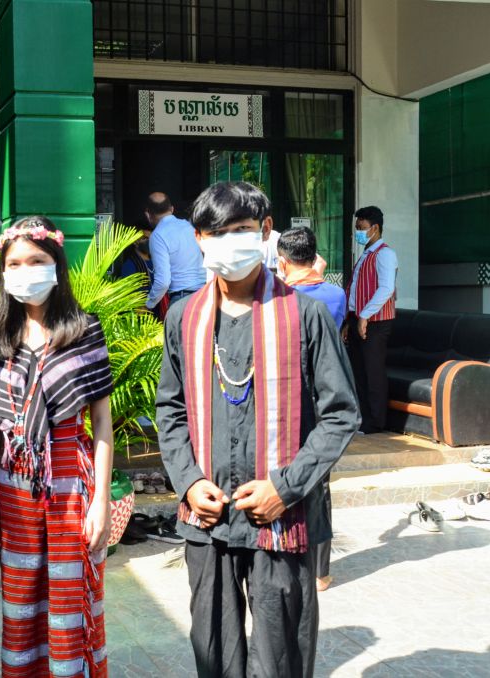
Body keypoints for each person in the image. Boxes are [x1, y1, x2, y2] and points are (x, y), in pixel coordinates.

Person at [155, 182, 359, 678]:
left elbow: (340, 414)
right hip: (209, 519)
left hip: (280, 520)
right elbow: (170, 409)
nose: (230, 240)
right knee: (214, 652)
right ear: (200, 239)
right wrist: (189, 481)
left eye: (242, 229)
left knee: (281, 655)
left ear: (265, 232)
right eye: (216, 232)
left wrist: (285, 488)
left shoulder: (306, 316)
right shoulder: (184, 317)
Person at [0, 216, 115, 678]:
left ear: (56, 265)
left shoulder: (84, 331)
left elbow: (100, 423)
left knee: (71, 597)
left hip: (71, 481)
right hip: (13, 485)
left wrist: (100, 500)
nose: (25, 270)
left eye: (36, 260)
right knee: (20, 598)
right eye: (14, 263)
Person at [277, 226, 348, 593]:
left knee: (287, 474)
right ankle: (321, 571)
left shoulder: (280, 297)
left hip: (288, 397)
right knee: (319, 483)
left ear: (282, 261)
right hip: (324, 394)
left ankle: (289, 553)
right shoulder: (336, 295)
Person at [345, 205, 398, 434]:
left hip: (376, 324)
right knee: (359, 373)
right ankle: (364, 420)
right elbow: (355, 290)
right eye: (357, 227)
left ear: (375, 228)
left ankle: (376, 423)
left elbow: (386, 288)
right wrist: (350, 320)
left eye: (362, 227)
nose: (358, 231)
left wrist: (364, 315)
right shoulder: (366, 254)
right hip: (359, 320)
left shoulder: (385, 254)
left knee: (373, 373)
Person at [144, 192, 206, 316]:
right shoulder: (190, 227)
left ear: (148, 214)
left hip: (182, 300)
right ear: (172, 209)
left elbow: (163, 281)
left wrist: (148, 304)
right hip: (205, 295)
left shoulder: (157, 236)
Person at [111, 226, 154, 295]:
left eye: (152, 238)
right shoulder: (130, 266)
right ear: (135, 242)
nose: (149, 241)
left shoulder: (158, 262)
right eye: (144, 238)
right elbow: (130, 294)